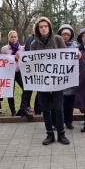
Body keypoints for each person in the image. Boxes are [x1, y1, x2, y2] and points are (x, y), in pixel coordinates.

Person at [30, 17, 70, 145]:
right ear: (37, 29)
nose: (43, 28)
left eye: (45, 26)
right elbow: (31, 62)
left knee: (59, 109)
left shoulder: (58, 40)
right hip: (42, 83)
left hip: (57, 81)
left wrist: (75, 56)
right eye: (41, 26)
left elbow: (65, 57)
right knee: (46, 109)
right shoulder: (34, 44)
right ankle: (49, 134)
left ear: (49, 27)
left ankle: (61, 134)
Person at [1, 30, 33, 118]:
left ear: (17, 38)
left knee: (27, 88)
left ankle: (23, 108)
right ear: (9, 38)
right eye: (12, 37)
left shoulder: (22, 48)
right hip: (9, 72)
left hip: (19, 71)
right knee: (10, 92)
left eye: (15, 37)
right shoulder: (4, 49)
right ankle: (13, 111)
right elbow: (3, 61)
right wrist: (13, 58)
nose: (13, 38)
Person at [57, 24, 77, 129]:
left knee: (69, 103)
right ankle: (57, 122)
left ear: (71, 36)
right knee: (58, 104)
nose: (65, 36)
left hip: (71, 80)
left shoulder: (75, 47)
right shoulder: (56, 45)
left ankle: (69, 122)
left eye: (67, 34)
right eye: (63, 34)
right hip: (59, 80)